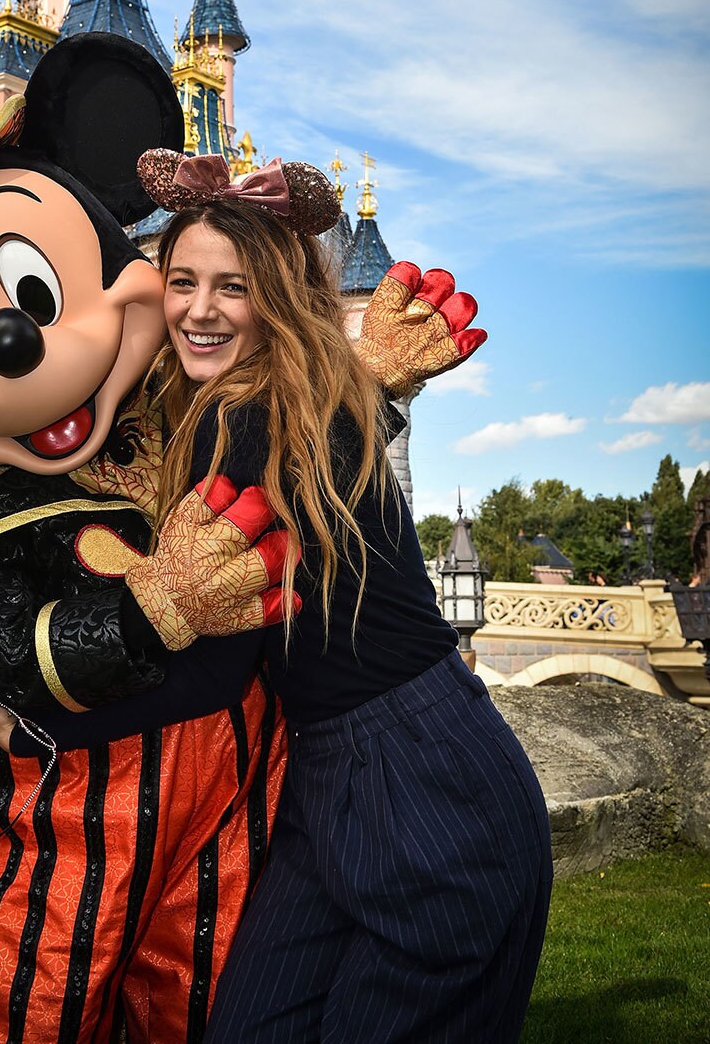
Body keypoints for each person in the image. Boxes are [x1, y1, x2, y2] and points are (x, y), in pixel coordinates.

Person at [134, 149, 552, 1044]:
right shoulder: (297, 396)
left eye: (232, 287)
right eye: (181, 281)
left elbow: (209, 668)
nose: (199, 310)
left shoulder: (246, 416)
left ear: (276, 297)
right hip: (344, 773)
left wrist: (37, 707)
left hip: (424, 780)